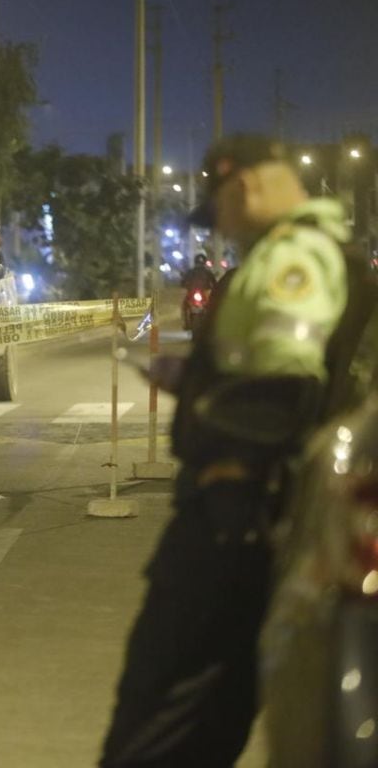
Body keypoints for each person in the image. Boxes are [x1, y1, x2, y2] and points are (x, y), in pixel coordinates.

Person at [100, 134, 364, 766]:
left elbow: (283, 393)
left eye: (216, 208)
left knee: (157, 717)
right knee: (206, 719)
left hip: (233, 524)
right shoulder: (308, 254)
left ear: (241, 187)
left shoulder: (291, 260)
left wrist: (222, 471)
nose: (219, 226)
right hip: (259, 520)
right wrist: (194, 382)